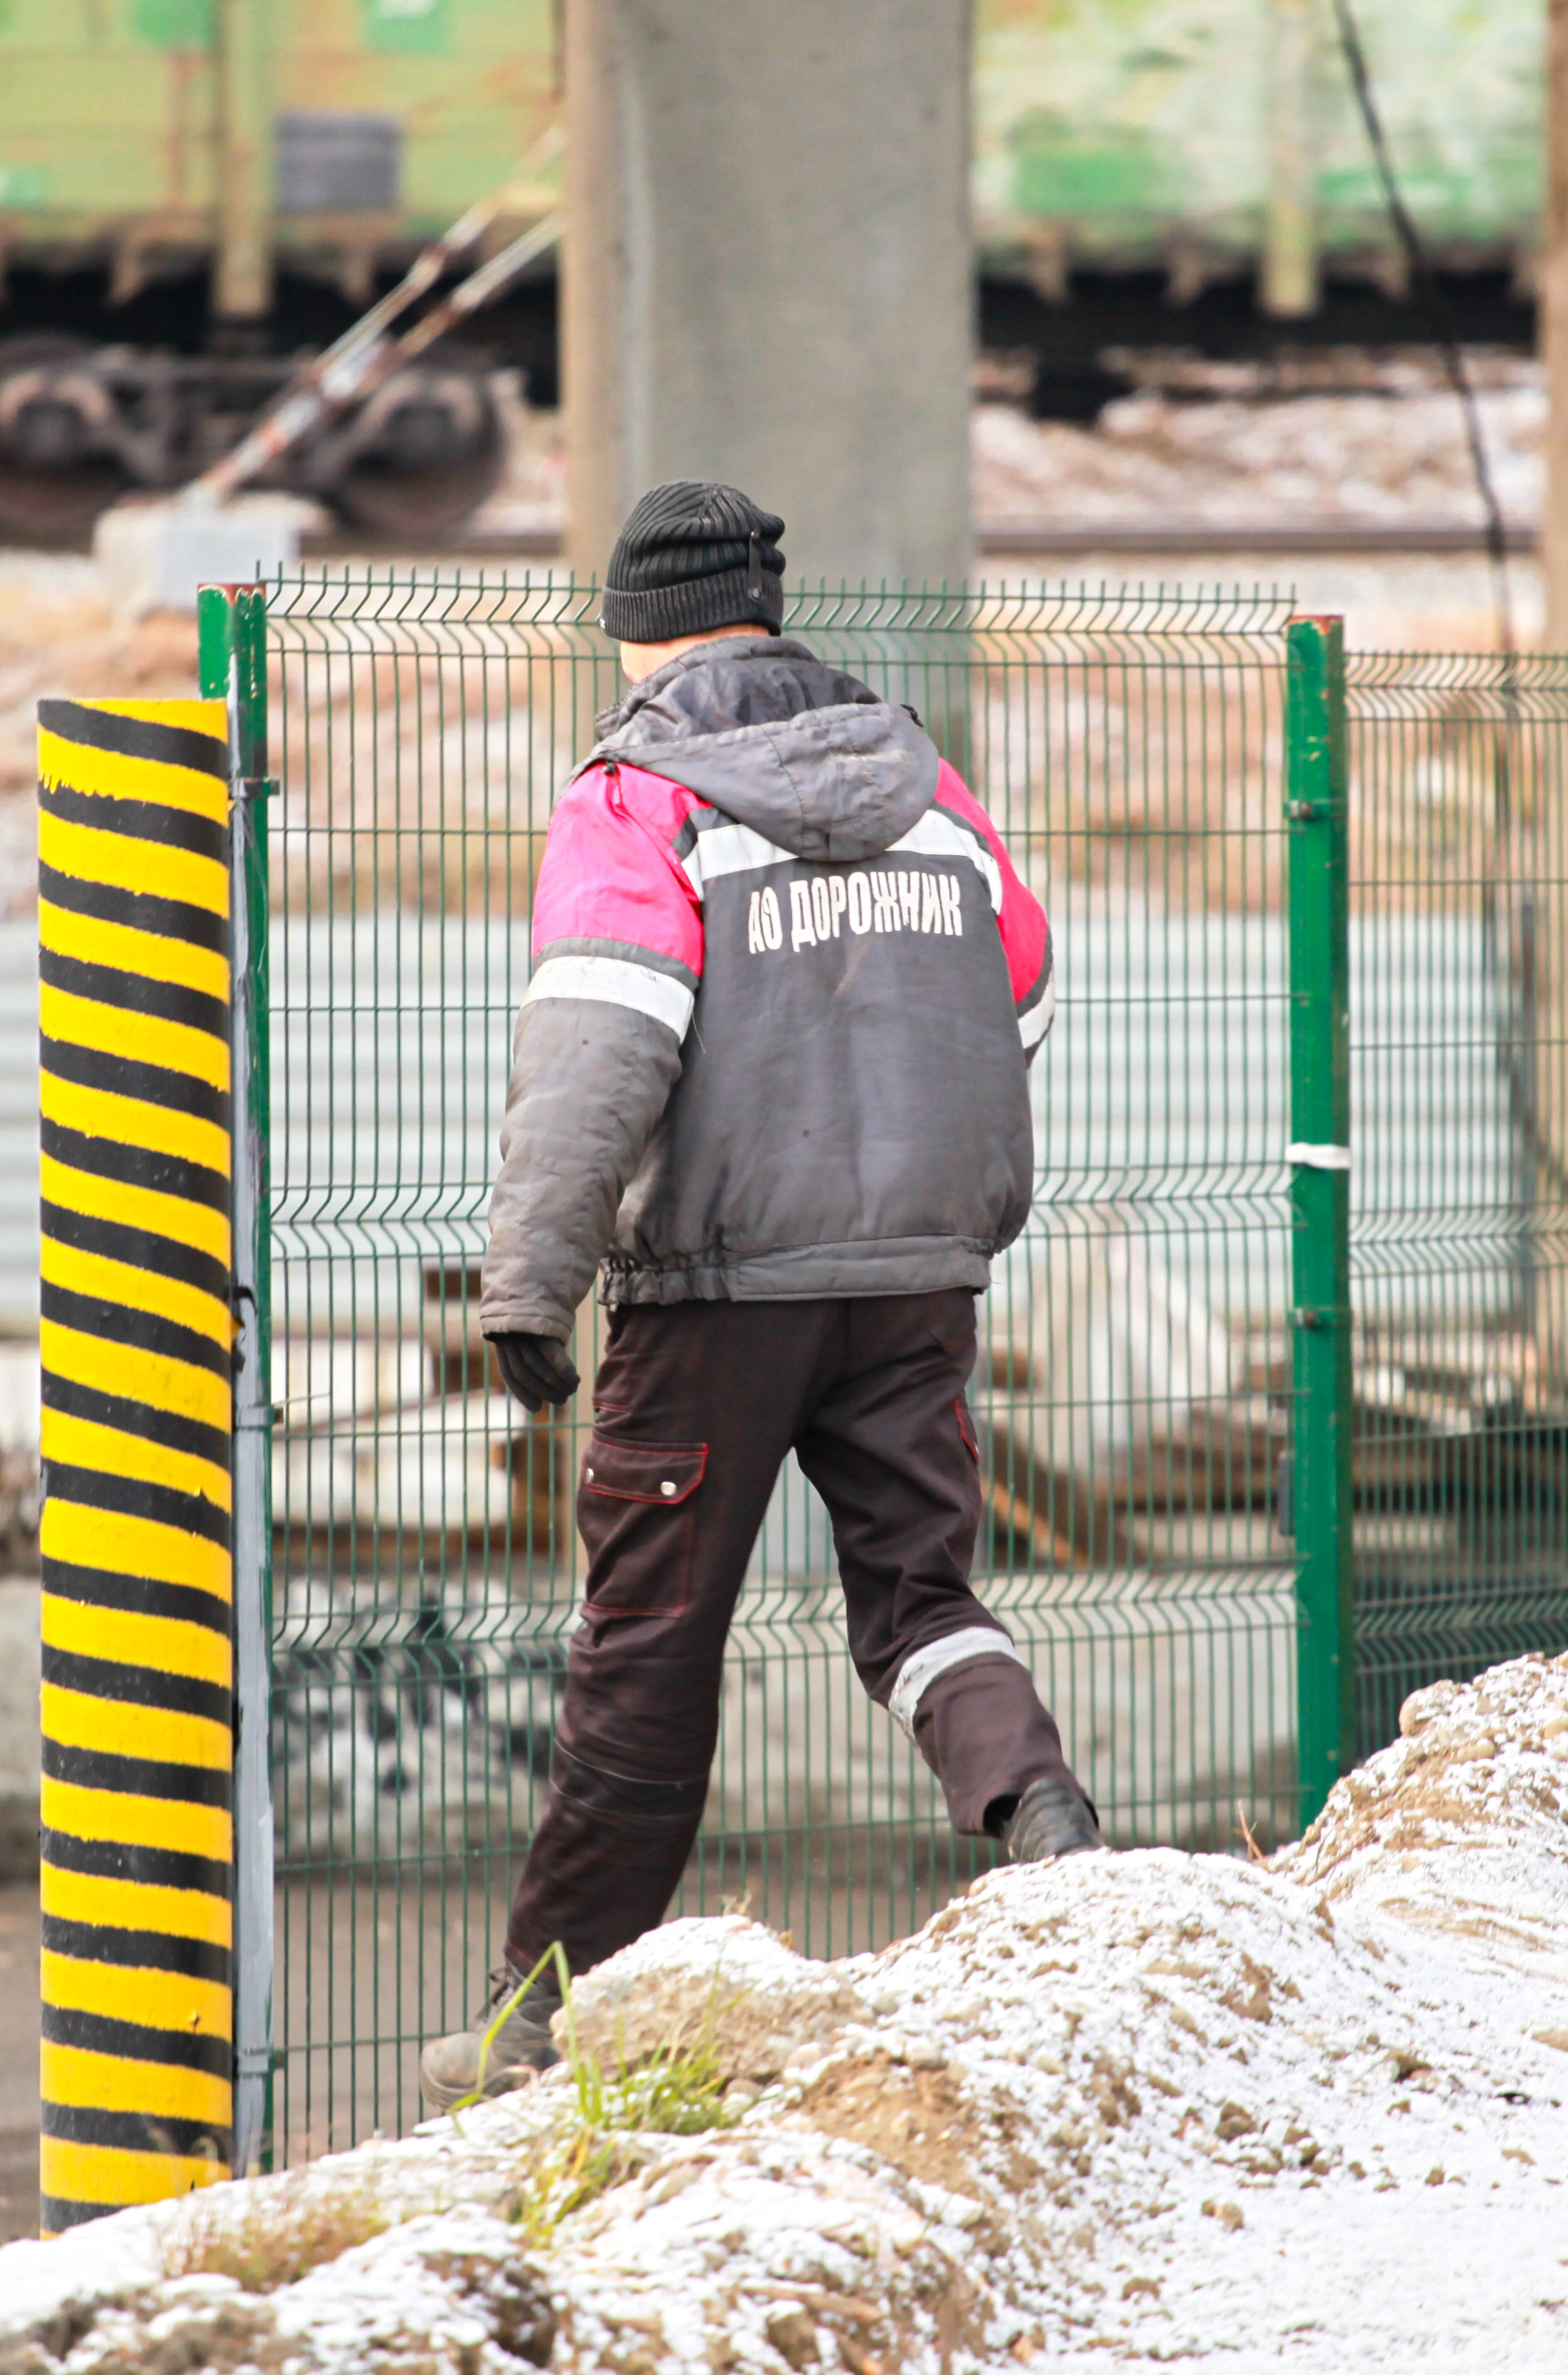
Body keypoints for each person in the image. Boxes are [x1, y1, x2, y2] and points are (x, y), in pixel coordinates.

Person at [420, 480, 1102, 2113]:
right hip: (911, 1276)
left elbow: (599, 1039)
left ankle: (538, 2022)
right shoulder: (926, 784)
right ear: (765, 605)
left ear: (633, 628)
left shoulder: (637, 794)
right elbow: (1017, 978)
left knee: (646, 1641)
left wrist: (534, 1278)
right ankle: (1037, 1808)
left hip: (714, 1286)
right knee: (920, 1597)